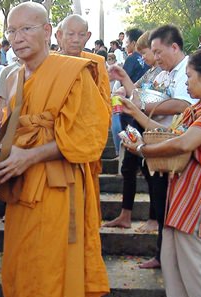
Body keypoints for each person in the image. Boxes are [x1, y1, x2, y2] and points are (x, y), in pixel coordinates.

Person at [0, 2, 109, 297]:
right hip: (21, 186)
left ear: (46, 31)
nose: (17, 37)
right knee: (21, 267)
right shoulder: (16, 77)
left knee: (52, 268)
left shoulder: (72, 73)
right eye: (12, 31)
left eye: (26, 29)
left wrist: (29, 156)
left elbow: (86, 134)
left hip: (57, 187)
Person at [121, 48, 201, 297]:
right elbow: (169, 132)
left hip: (199, 201)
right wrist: (136, 112)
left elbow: (183, 144)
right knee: (173, 270)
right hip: (182, 199)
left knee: (196, 275)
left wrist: (143, 150)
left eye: (189, 77)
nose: (185, 83)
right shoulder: (198, 109)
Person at [105, 25, 198, 270]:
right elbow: (140, 97)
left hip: (179, 149)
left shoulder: (187, 71)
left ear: (174, 47)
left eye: (158, 52)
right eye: (152, 53)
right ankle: (163, 255)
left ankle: (172, 258)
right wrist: (126, 84)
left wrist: (146, 108)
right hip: (160, 145)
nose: (154, 58)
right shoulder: (162, 72)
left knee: (170, 206)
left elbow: (184, 104)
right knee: (159, 200)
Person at [56, 13, 112, 219]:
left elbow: (104, 101)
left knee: (86, 200)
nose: (75, 39)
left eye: (81, 34)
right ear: (58, 35)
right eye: (70, 34)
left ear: (88, 36)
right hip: (57, 143)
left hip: (87, 141)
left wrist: (92, 132)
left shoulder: (96, 62)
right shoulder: (50, 62)